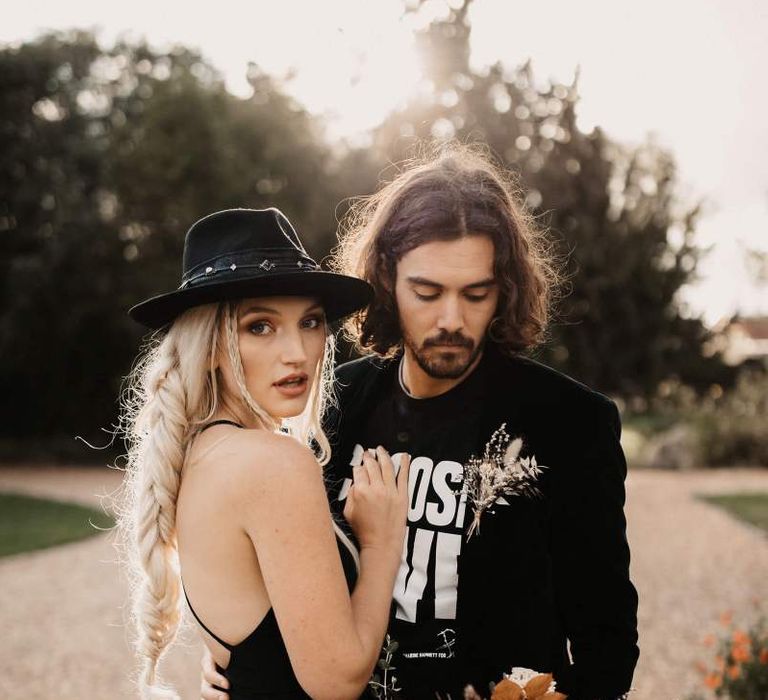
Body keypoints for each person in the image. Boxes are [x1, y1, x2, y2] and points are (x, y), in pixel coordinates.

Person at [202, 144, 639, 700]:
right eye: (427, 293)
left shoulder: (570, 422)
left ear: (504, 289)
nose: (452, 319)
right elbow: (287, 576)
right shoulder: (334, 403)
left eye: (476, 294)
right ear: (386, 279)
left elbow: (607, 637)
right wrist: (238, 662)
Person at [118, 207, 411, 700]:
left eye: (311, 322)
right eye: (260, 326)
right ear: (210, 344)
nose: (297, 352)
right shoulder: (274, 463)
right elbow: (336, 681)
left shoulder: (200, 453)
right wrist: (381, 545)